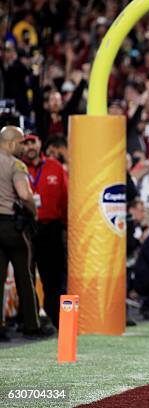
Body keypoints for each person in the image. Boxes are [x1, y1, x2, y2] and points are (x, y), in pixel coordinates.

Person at [0, 126, 52, 341]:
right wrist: (33, 211)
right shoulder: (16, 164)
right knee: (24, 274)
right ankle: (31, 324)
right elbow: (24, 194)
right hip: (10, 225)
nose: (23, 146)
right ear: (11, 143)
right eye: (21, 142)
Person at [21, 133, 68, 329]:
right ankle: (30, 321)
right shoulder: (17, 168)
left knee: (53, 279)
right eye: (26, 143)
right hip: (25, 228)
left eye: (33, 141)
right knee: (25, 277)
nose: (30, 146)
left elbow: (66, 199)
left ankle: (57, 319)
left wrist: (66, 227)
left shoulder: (55, 167)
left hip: (52, 229)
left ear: (40, 143)